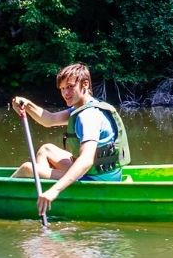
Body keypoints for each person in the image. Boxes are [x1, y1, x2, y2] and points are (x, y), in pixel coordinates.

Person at [10, 63, 131, 218]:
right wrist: (27, 104)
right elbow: (49, 119)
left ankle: (47, 197)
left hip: (94, 180)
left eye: (70, 87)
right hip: (100, 173)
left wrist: (55, 190)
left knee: (28, 168)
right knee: (46, 149)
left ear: (85, 84)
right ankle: (42, 199)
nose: (65, 93)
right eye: (62, 89)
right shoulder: (84, 107)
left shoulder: (88, 117)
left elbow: (86, 159)